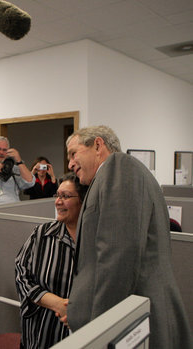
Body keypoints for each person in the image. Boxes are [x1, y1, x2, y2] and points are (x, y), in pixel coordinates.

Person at [66, 125, 192, 348]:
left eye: (73, 153)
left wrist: (100, 331)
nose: (70, 164)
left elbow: (118, 258)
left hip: (130, 324)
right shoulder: (108, 178)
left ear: (97, 145)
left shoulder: (118, 167)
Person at [15, 172, 87, 348]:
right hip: (41, 332)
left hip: (83, 332)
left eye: (65, 196)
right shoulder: (42, 234)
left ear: (83, 201)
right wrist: (56, 303)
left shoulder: (96, 241)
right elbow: (21, 274)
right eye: (57, 195)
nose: (58, 201)